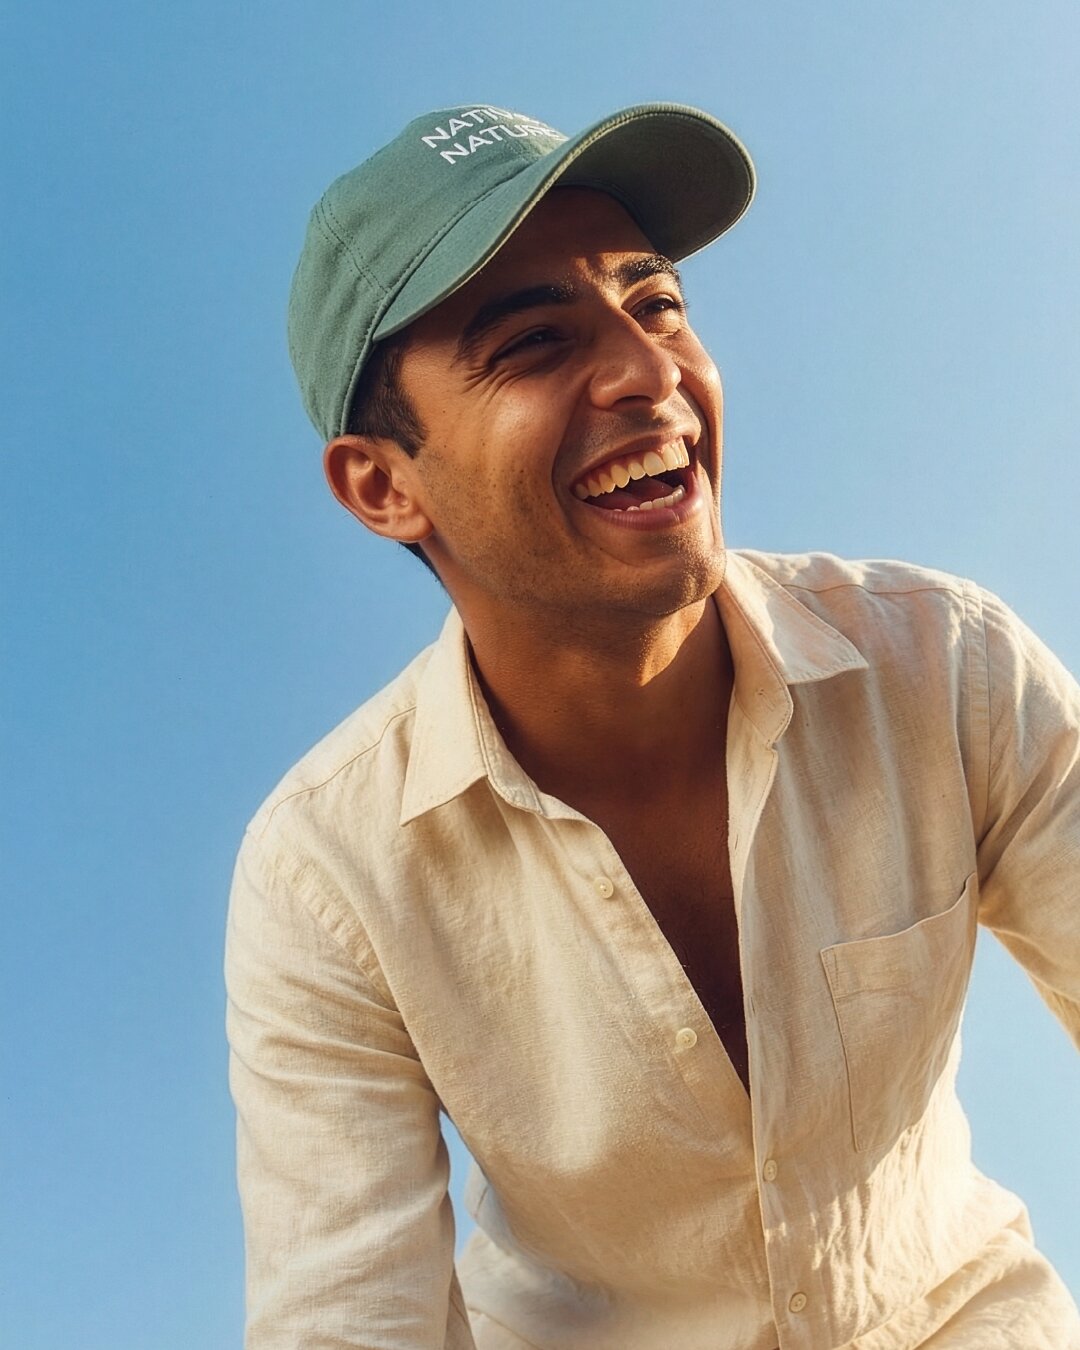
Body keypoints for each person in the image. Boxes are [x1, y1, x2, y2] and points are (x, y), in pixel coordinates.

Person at [225, 102, 1080, 1349]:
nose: (648, 372)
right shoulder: (325, 876)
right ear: (384, 485)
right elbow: (351, 1321)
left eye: (659, 303)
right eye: (530, 343)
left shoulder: (949, 668)